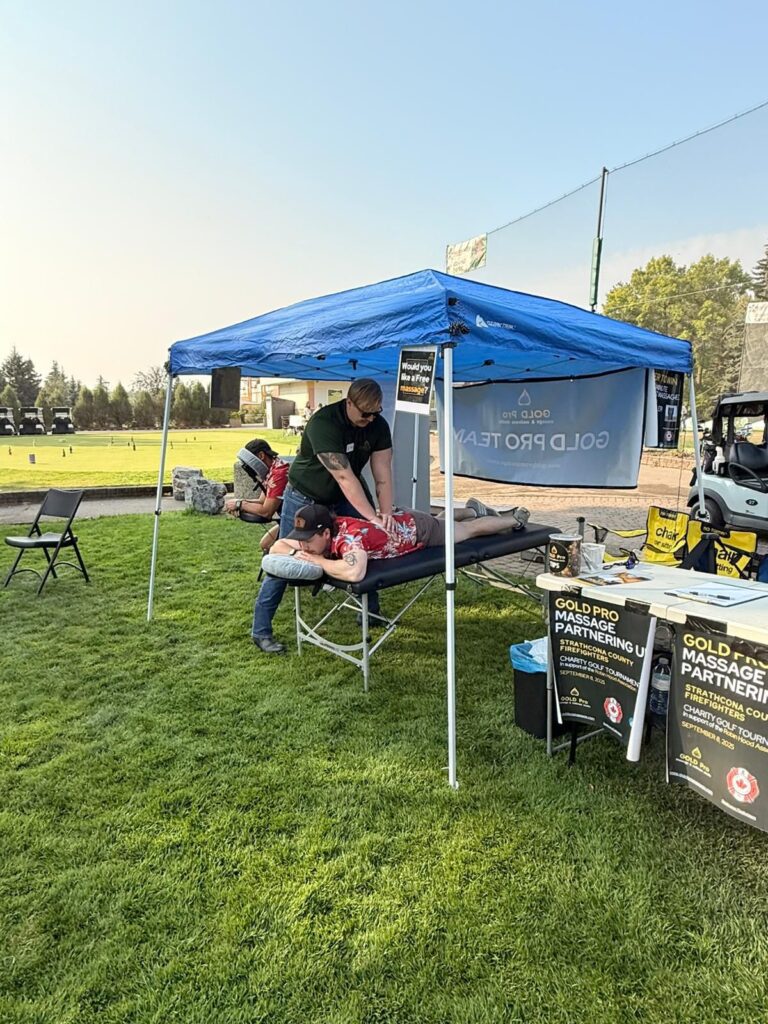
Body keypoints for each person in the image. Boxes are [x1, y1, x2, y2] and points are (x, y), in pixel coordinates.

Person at [250, 378, 395, 653]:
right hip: (305, 494)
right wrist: (372, 517)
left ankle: (371, 612)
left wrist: (384, 515)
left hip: (345, 496)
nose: (370, 418)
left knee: (367, 543)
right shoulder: (324, 422)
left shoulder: (378, 425)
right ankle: (261, 630)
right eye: (364, 413)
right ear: (348, 402)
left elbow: (383, 475)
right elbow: (343, 475)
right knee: (284, 555)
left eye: (375, 412)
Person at [271, 501, 531, 583]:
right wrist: (298, 555)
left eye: (307, 541)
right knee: (444, 521)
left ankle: (514, 519)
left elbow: (354, 571)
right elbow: (277, 546)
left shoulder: (349, 538)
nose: (303, 545)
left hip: (419, 531)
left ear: (326, 534)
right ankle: (472, 509)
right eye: (301, 541)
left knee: (467, 531)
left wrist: (315, 560)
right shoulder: (320, 535)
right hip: (403, 521)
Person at [225, 439, 288, 551]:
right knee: (265, 544)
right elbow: (261, 502)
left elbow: (266, 512)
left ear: (261, 455)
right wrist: (237, 503)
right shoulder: (272, 471)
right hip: (287, 519)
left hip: (294, 522)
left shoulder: (278, 474)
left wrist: (240, 504)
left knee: (270, 546)